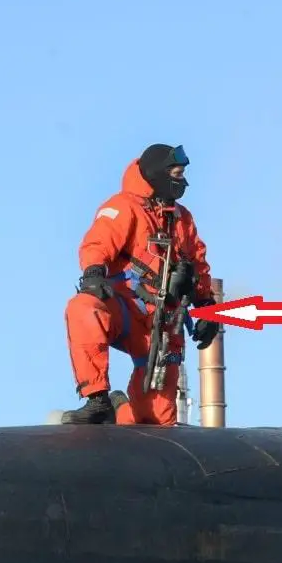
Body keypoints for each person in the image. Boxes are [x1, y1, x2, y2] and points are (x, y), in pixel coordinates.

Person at [60, 144, 220, 425]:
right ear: (159, 174)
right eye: (177, 174)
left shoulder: (182, 219)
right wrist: (94, 273)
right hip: (125, 309)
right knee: (84, 308)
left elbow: (199, 263)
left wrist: (207, 308)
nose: (183, 182)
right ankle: (97, 398)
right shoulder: (122, 207)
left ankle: (119, 410)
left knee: (155, 421)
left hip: (162, 326)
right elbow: (97, 243)